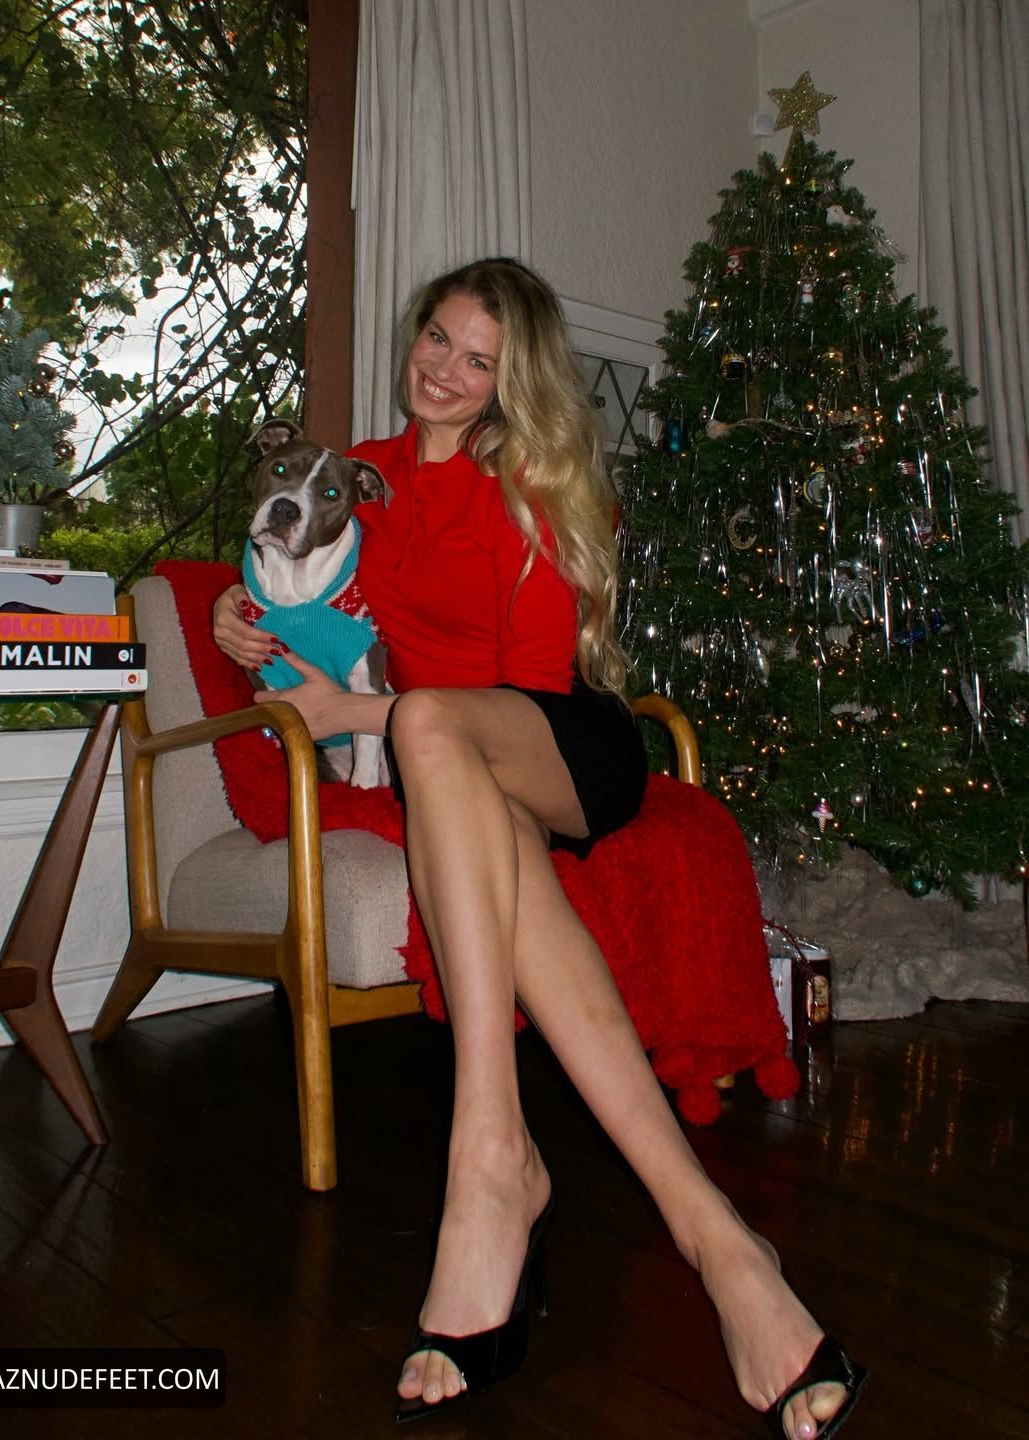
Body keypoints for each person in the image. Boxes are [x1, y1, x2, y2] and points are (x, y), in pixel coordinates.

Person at [213, 258, 866, 1438]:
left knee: (426, 723)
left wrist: (361, 714)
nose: (446, 371)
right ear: (414, 336)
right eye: (438, 339)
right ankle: (717, 1241)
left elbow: (521, 688)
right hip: (452, 768)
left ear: (511, 380)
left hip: (561, 745)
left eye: (481, 359)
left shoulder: (528, 480)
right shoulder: (364, 478)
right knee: (438, 752)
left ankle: (489, 1174)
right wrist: (233, 613)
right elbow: (292, 591)